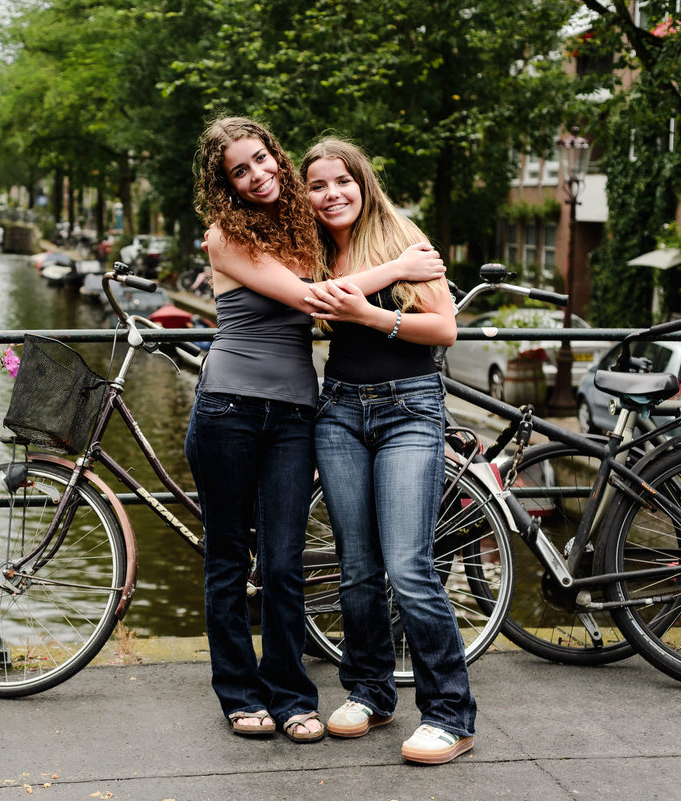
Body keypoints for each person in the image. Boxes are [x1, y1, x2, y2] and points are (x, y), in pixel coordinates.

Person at [186, 117, 445, 743]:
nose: (256, 176)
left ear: (277, 157)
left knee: (282, 563)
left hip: (298, 413)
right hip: (228, 407)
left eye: (262, 160)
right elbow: (315, 301)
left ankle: (292, 694)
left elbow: (351, 271)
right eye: (238, 171)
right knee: (228, 560)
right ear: (224, 184)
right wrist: (399, 267)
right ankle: (240, 695)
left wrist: (403, 260)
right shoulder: (224, 236)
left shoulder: (303, 232)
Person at [300, 135, 476, 765]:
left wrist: (375, 317)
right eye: (317, 185)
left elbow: (445, 328)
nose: (330, 195)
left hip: (408, 407)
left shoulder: (403, 235)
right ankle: (370, 691)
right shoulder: (312, 245)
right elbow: (317, 304)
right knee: (356, 567)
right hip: (339, 408)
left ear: (362, 182)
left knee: (408, 565)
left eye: (341, 181)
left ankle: (450, 714)